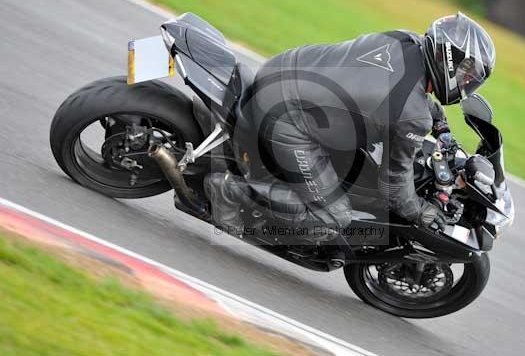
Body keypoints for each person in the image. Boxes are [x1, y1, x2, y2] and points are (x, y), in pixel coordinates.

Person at [204, 12, 496, 246]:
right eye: (465, 73)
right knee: (333, 217)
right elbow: (393, 186)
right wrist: (421, 213)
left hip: (280, 72)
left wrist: (442, 127)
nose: (466, 82)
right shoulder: (412, 115)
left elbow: (406, 99)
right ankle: (231, 193)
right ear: (449, 60)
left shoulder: (404, 41)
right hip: (287, 122)